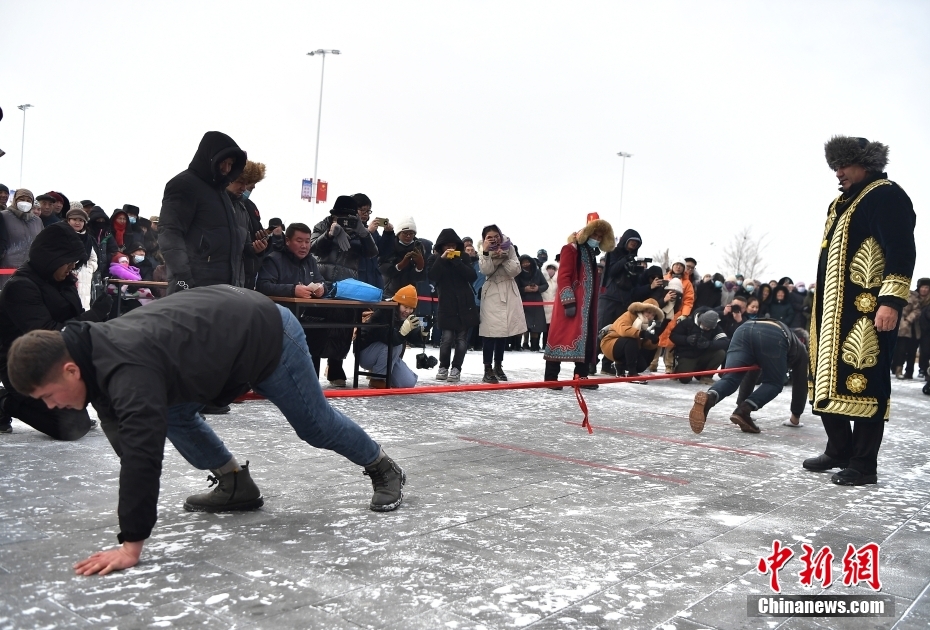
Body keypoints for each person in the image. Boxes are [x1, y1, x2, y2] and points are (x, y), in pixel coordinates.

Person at [8, 285, 406, 575]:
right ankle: (236, 484)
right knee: (175, 413)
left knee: (314, 426)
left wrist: (131, 545)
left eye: (47, 395)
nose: (50, 406)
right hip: (226, 333)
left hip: (267, 335)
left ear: (69, 369)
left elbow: (142, 455)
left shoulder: (125, 369)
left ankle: (383, 466)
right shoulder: (92, 360)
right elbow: (125, 442)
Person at [805, 136, 916, 486]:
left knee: (867, 380)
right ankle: (838, 449)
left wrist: (892, 301)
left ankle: (864, 464)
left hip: (866, 312)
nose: (838, 173)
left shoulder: (886, 195)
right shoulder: (840, 203)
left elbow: (901, 251)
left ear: (864, 164)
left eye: (843, 166)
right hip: (829, 314)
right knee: (825, 378)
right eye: (835, 167)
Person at [0, 222, 112, 437]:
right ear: (52, 258)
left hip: (62, 363)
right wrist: (95, 315)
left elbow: (74, 323)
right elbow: (50, 337)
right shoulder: (20, 287)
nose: (72, 267)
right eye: (68, 262)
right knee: (70, 426)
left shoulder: (61, 281)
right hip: (25, 368)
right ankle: (6, 401)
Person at [159, 131, 248, 294]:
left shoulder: (222, 193)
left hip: (222, 290)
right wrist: (184, 282)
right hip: (192, 289)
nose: (227, 169)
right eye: (223, 162)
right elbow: (170, 234)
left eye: (231, 164)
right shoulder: (184, 184)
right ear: (210, 157)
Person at [689, 319, 809, 434]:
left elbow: (751, 375)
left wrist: (741, 403)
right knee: (774, 383)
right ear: (802, 340)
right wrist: (795, 417)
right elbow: (800, 383)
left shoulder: (784, 333)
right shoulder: (801, 348)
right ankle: (745, 409)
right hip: (773, 335)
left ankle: (710, 397)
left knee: (731, 377)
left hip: (743, 330)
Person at [310, 195, 379, 387]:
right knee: (316, 327)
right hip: (322, 282)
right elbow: (313, 248)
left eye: (349, 216)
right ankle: (312, 370)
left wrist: (363, 233)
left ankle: (336, 367)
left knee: (343, 327)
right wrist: (330, 234)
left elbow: (372, 253)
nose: (345, 220)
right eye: (341, 216)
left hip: (347, 284)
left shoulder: (358, 230)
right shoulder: (322, 225)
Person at [543, 214, 615, 389]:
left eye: (600, 237)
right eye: (595, 235)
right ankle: (551, 377)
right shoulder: (570, 249)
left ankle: (581, 377)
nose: (597, 239)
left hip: (587, 305)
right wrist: (568, 300)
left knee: (587, 339)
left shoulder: (590, 253)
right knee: (560, 337)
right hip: (572, 302)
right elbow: (564, 276)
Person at [255, 222, 328, 372]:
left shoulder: (311, 261)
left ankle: (310, 376)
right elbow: (263, 286)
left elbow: (321, 281)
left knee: (321, 329)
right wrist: (292, 290)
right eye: (299, 241)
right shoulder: (274, 259)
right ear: (287, 241)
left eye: (307, 241)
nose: (304, 246)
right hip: (280, 317)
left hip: (307, 315)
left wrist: (322, 289)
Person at [428, 229, 479, 383]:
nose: (450, 248)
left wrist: (457, 262)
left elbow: (472, 276)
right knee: (447, 338)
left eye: (453, 245)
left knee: (462, 339)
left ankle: (456, 368)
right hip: (446, 304)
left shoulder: (463, 257)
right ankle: (443, 366)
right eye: (446, 246)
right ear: (440, 246)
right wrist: (442, 259)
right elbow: (432, 276)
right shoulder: (434, 259)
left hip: (465, 304)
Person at [477, 225, 526, 384]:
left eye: (495, 236)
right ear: (484, 238)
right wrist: (487, 252)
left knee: (503, 331)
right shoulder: (481, 249)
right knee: (490, 332)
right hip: (492, 291)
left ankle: (498, 366)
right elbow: (486, 269)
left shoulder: (509, 247)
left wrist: (504, 257)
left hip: (508, 290)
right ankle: (487, 368)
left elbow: (515, 270)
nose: (494, 239)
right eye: (489, 237)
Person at [596, 229, 644, 374]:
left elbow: (634, 282)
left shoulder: (634, 258)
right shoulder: (613, 252)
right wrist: (625, 260)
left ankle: (606, 364)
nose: (634, 245)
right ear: (626, 240)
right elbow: (610, 271)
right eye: (632, 241)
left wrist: (636, 271)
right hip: (608, 297)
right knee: (602, 331)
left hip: (624, 300)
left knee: (617, 332)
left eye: (636, 243)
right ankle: (591, 363)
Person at [356, 285, 422, 389]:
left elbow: (413, 337)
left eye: (411, 308)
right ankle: (377, 379)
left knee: (408, 382)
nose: (408, 311)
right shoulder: (383, 312)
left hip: (389, 356)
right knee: (396, 346)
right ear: (398, 304)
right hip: (366, 352)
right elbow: (388, 339)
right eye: (405, 307)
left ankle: (384, 374)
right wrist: (401, 333)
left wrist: (421, 335)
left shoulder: (405, 317)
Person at [599, 298, 664, 378]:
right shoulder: (629, 315)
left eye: (653, 315)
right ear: (642, 310)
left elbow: (645, 344)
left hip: (630, 348)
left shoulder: (649, 324)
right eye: (648, 312)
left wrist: (654, 341)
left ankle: (621, 367)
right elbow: (623, 330)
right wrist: (641, 333)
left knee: (641, 366)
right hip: (610, 342)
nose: (650, 316)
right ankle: (632, 373)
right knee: (631, 340)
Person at [670, 309, 729, 384]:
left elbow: (725, 341)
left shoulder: (715, 327)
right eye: (706, 326)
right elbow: (673, 336)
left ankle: (706, 376)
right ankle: (679, 369)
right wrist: (686, 340)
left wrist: (708, 344)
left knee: (721, 353)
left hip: (703, 355)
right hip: (687, 355)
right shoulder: (688, 322)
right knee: (685, 379)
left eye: (710, 328)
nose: (707, 329)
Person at [0, 189, 43, 288]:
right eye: (21, 199)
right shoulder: (4, 216)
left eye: (28, 200)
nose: (25, 202)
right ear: (15, 200)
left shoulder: (37, 221)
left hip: (30, 269)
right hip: (6, 268)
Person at [891, 278, 929, 380]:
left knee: (916, 351)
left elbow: (917, 311)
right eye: (923, 287)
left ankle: (914, 372)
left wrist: (908, 319)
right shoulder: (911, 296)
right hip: (904, 328)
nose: (924, 289)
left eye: (927, 287)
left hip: (919, 329)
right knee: (900, 350)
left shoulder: (921, 300)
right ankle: (897, 368)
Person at [379, 216, 425, 297]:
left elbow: (420, 277)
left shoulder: (419, 247)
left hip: (410, 291)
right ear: (399, 233)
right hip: (390, 291)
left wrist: (420, 266)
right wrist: (400, 265)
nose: (408, 236)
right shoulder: (390, 244)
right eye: (405, 233)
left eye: (411, 233)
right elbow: (382, 267)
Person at [65, 206, 99, 310]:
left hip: (85, 277)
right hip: (67, 274)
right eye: (74, 219)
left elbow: (93, 258)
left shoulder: (88, 239)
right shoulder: (63, 235)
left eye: (81, 220)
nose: (77, 223)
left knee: (84, 305)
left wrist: (89, 269)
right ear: (68, 220)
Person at [516, 254, 549, 352]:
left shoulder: (537, 272)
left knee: (537, 325)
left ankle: (534, 345)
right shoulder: (517, 274)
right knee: (520, 324)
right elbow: (515, 288)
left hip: (536, 301)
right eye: (523, 262)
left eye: (527, 262)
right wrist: (524, 289)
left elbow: (545, 285)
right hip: (522, 302)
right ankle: (517, 345)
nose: (526, 264)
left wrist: (538, 288)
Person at [541, 262, 558, 348]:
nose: (551, 270)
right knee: (544, 328)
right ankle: (544, 344)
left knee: (553, 328)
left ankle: (551, 345)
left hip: (554, 307)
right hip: (543, 306)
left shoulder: (557, 281)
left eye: (553, 268)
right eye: (549, 268)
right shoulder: (542, 280)